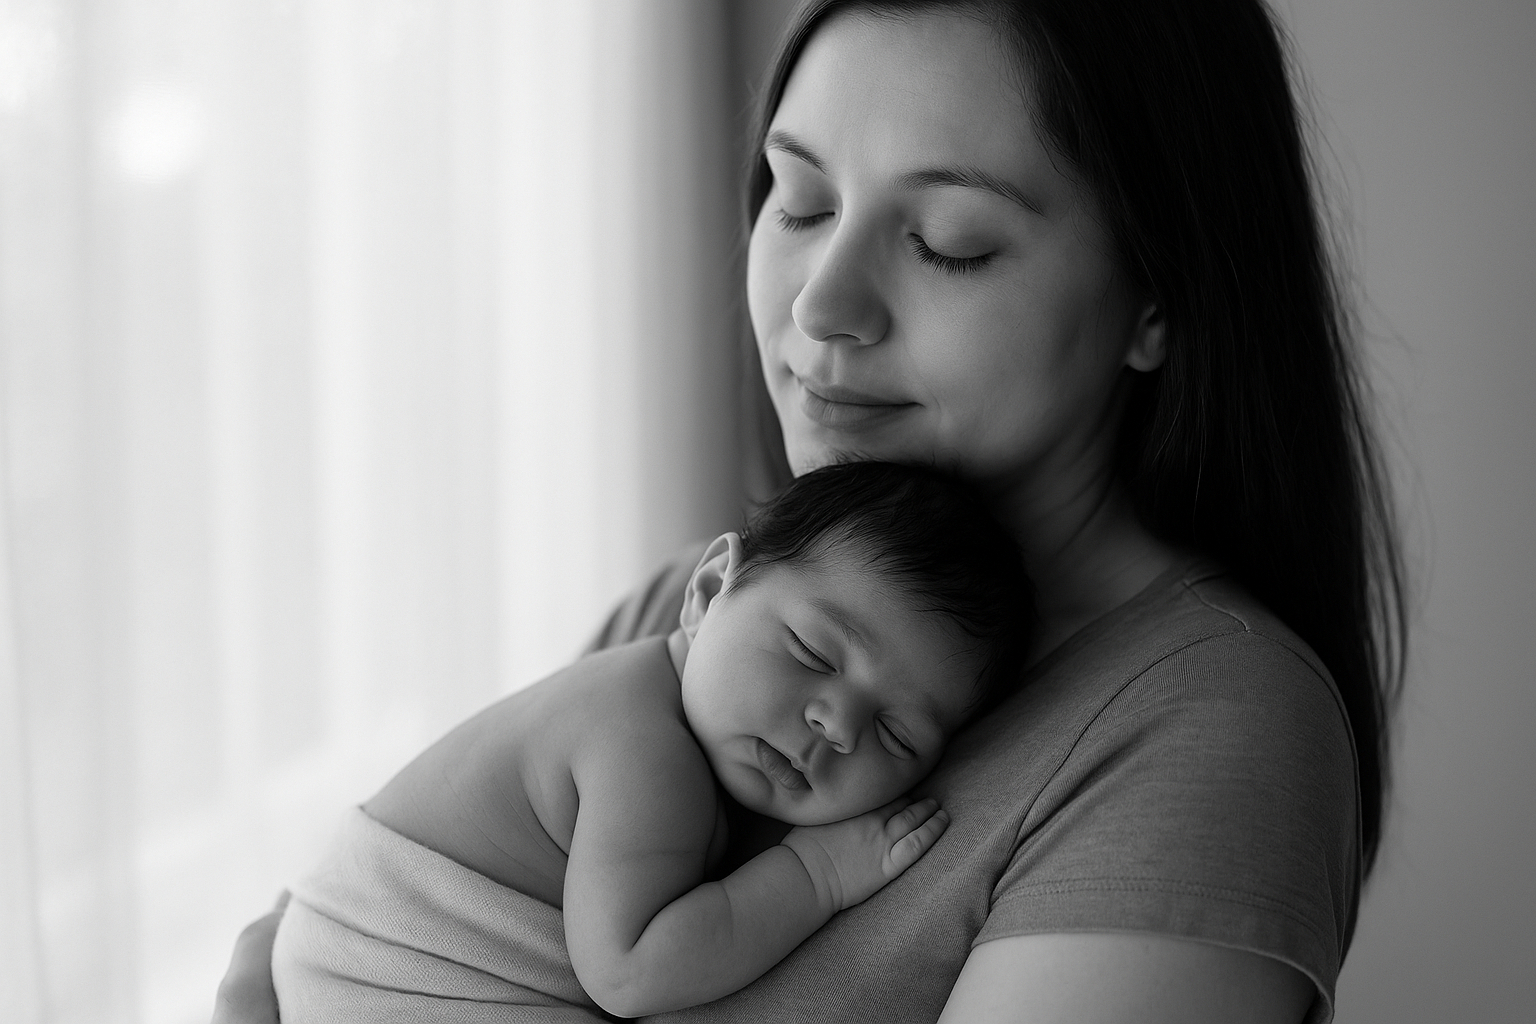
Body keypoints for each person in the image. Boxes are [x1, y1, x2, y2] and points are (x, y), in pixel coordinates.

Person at [214, 1, 1405, 1021]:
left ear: (1160, 297)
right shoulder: (689, 609)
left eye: (948, 243)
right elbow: (350, 949)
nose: (824, 305)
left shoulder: (1204, 726)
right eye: (797, 204)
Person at [268, 461, 1031, 1021]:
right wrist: (816, 875)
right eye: (813, 654)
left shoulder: (666, 702)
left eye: (896, 734)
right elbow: (630, 971)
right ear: (705, 593)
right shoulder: (641, 748)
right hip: (387, 972)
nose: (837, 724)